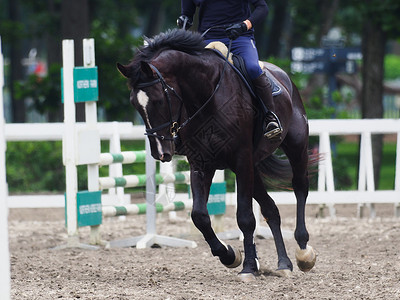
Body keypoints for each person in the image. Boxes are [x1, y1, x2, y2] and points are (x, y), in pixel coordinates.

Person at [177, 0, 282, 140]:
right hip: (207, 38)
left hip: (240, 37)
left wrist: (244, 25)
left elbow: (262, 8)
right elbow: (187, 13)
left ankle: (270, 116)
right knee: (186, 74)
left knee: (252, 68)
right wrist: (184, 19)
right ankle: (180, 127)